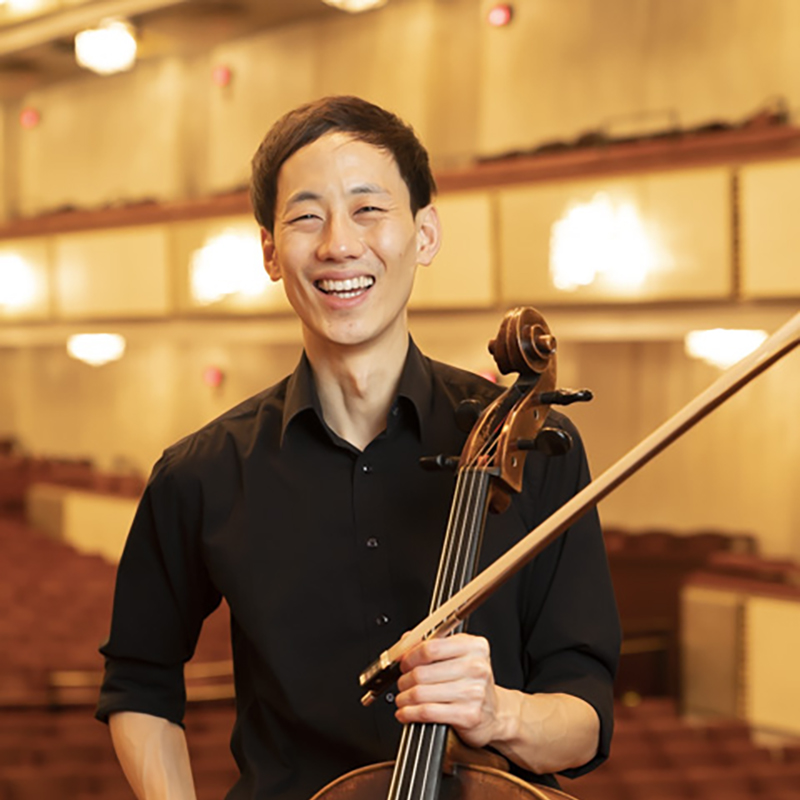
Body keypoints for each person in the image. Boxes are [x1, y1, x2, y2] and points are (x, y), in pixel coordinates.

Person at [96, 95, 621, 800]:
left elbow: (585, 715)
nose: (339, 244)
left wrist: (500, 713)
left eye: (369, 209)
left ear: (425, 234)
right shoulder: (201, 475)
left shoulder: (543, 447)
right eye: (307, 215)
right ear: (269, 252)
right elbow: (140, 681)